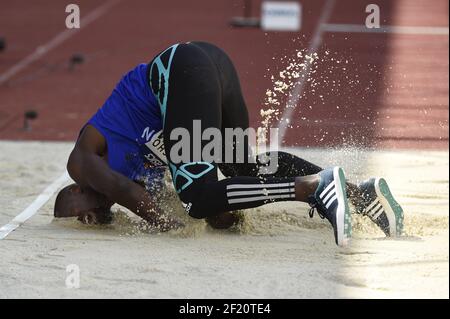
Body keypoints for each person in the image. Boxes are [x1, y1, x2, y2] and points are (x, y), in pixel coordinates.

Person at [54, 41, 404, 247]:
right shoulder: (144, 178)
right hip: (209, 66)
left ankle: (314, 187)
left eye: (76, 212)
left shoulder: (82, 161)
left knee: (195, 199)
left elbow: (128, 195)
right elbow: (222, 204)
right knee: (242, 170)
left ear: (74, 190)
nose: (86, 217)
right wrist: (220, 215)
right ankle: (360, 194)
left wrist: (179, 226)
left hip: (181, 70)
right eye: (87, 220)